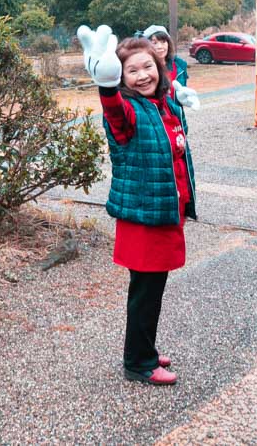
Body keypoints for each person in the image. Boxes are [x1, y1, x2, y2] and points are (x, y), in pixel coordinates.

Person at [77, 24, 199, 386]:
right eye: (132, 70)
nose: (142, 75)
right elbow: (113, 109)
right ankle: (139, 362)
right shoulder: (127, 110)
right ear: (121, 76)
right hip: (144, 218)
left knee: (149, 289)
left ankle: (141, 347)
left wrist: (177, 91)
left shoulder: (161, 102)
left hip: (163, 211)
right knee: (146, 291)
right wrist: (106, 85)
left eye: (148, 66)